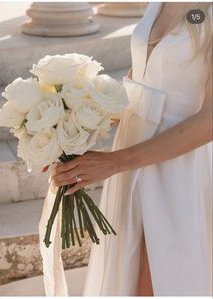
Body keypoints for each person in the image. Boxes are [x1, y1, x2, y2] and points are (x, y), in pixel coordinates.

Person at [46, 2, 212, 296]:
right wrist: (71, 129)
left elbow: (209, 122)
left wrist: (113, 163)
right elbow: (140, 82)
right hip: (131, 150)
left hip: (181, 168)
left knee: (165, 277)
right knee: (128, 273)